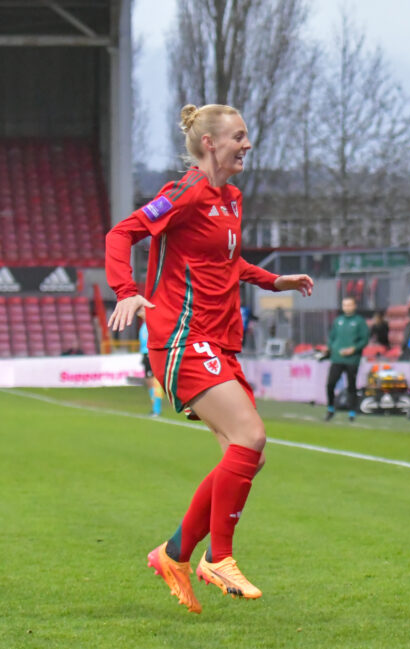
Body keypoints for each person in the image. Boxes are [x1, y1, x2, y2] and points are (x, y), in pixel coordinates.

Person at [105, 103, 314, 613]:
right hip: (180, 337)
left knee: (249, 456)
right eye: (238, 137)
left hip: (216, 340)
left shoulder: (230, 198)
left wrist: (272, 280)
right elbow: (121, 234)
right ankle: (218, 557)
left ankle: (175, 553)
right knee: (252, 437)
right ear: (210, 143)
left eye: (247, 136)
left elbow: (224, 259)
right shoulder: (185, 191)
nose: (247, 144)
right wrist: (125, 289)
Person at [325, 297, 369, 422]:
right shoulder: (338, 321)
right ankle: (330, 408)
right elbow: (332, 337)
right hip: (337, 358)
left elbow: (364, 339)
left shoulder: (359, 322)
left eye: (349, 305)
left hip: (352, 360)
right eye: (345, 305)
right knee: (330, 384)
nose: (347, 307)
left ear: (354, 306)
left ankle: (352, 412)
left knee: (351, 386)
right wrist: (331, 348)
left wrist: (354, 349)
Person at [138, 314, 163, 417]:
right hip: (145, 354)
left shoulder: (153, 325)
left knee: (155, 382)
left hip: (151, 354)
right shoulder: (143, 326)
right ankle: (154, 407)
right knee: (149, 382)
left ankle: (156, 409)